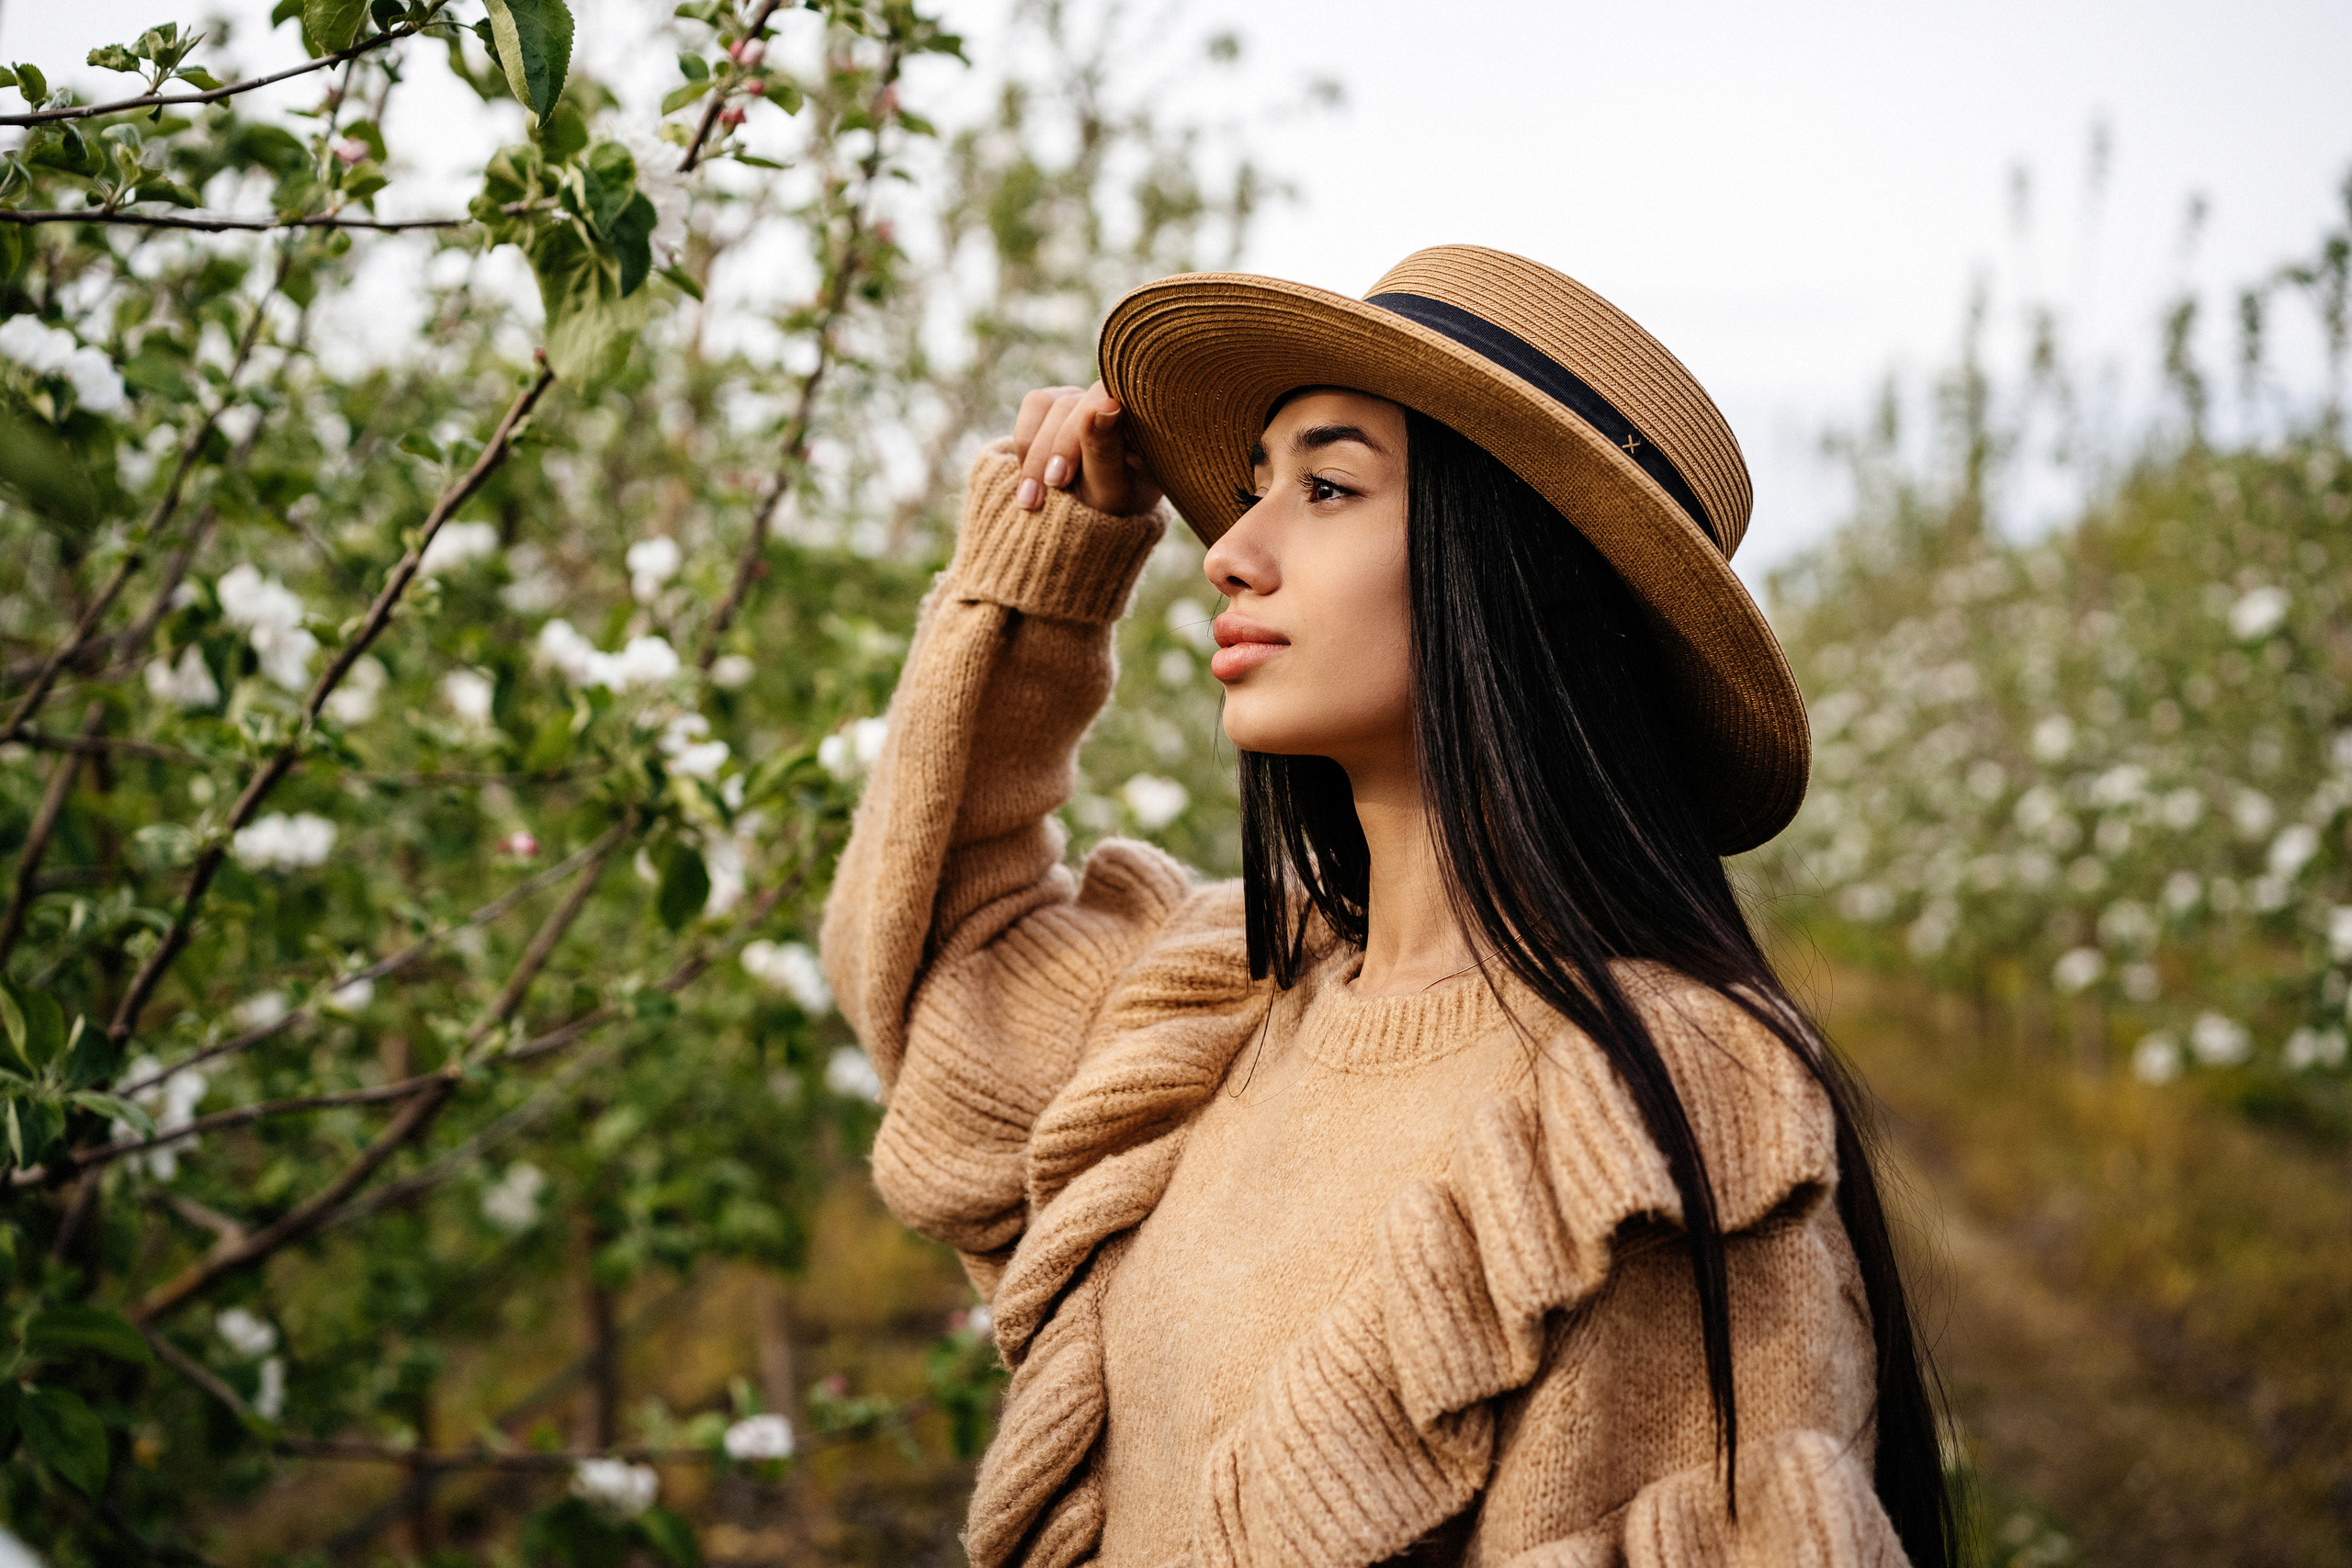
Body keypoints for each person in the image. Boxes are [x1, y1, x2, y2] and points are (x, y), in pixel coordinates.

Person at [820, 245, 1953, 1566]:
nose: (1228, 553)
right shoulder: (1226, 1005)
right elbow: (941, 966)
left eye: (1327, 487)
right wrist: (1042, 568)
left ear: (1516, 568)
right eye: (1256, 487)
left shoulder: (1644, 1121)